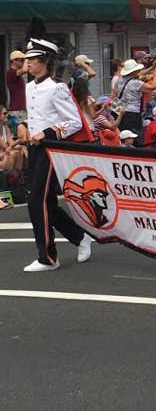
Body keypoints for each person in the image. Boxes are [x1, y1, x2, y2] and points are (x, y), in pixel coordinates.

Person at [21, 37, 93, 272]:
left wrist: (47, 133)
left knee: (36, 201)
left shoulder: (57, 87)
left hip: (51, 149)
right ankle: (80, 237)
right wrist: (24, 124)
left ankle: (48, 258)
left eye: (31, 59)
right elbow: (37, 114)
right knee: (45, 203)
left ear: (44, 60)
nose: (27, 63)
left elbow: (74, 122)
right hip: (34, 149)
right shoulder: (29, 86)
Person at [116, 59, 156, 144]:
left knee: (124, 135)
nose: (139, 71)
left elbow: (139, 74)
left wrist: (152, 67)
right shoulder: (135, 83)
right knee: (133, 136)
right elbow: (153, 87)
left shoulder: (120, 79)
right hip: (132, 113)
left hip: (121, 111)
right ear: (133, 71)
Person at [6, 49, 27, 126]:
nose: (23, 62)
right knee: (18, 134)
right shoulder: (10, 72)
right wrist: (28, 57)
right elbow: (24, 69)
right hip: (16, 110)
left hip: (19, 109)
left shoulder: (15, 73)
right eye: (21, 60)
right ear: (14, 61)